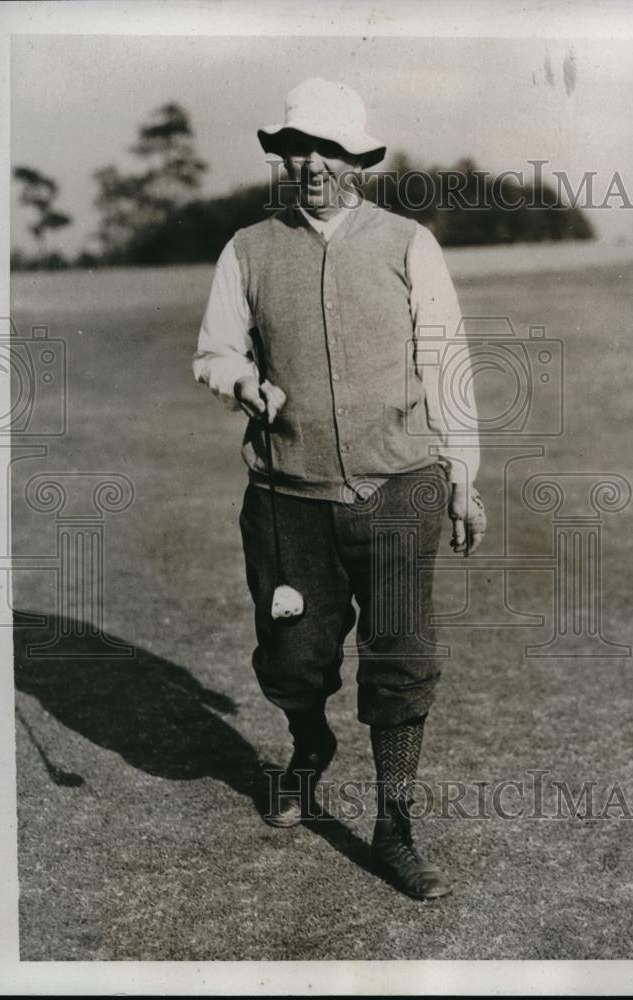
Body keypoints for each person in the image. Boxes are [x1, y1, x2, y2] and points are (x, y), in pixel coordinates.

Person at [193, 77, 485, 900]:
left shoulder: (406, 244)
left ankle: (394, 824)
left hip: (400, 488)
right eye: (297, 150)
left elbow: (448, 366)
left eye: (327, 151)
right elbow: (214, 350)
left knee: (399, 657)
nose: (311, 165)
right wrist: (242, 382)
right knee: (293, 656)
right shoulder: (248, 247)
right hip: (288, 498)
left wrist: (464, 476)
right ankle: (309, 743)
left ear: (356, 161)